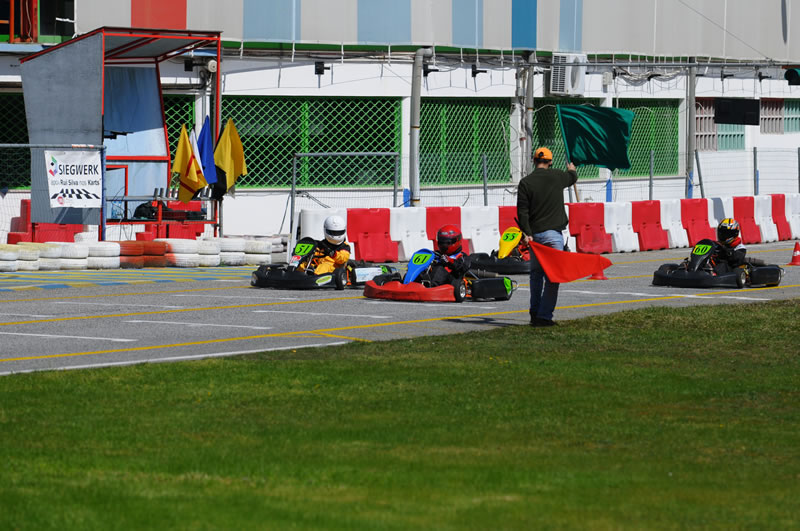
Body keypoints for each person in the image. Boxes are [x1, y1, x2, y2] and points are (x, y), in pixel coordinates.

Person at [516, 147, 578, 327]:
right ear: (550, 162)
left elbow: (522, 212)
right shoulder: (557, 176)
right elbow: (572, 178)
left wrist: (527, 233)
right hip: (553, 236)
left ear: (534, 161)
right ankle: (544, 315)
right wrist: (571, 169)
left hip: (534, 237)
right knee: (553, 276)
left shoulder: (525, 182)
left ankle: (535, 312)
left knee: (536, 275)